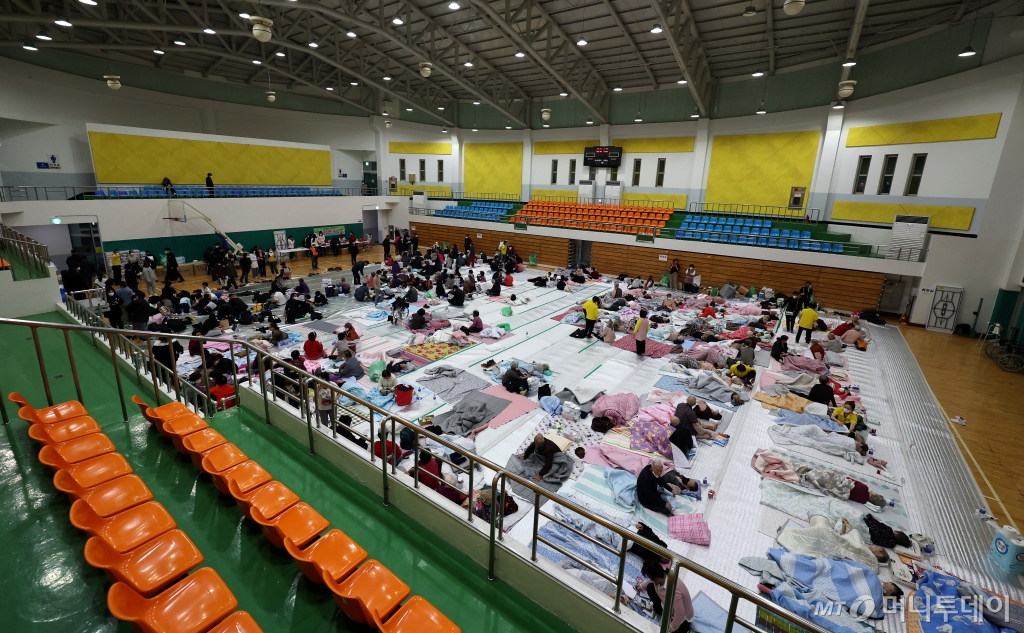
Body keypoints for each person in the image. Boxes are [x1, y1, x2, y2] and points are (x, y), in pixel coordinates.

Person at [622, 559, 695, 633]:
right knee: (650, 587)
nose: (650, 579)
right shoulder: (661, 575)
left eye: (650, 577)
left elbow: (680, 613)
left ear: (655, 578)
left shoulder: (674, 591)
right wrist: (642, 586)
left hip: (683, 619)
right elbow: (650, 581)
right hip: (668, 607)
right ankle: (659, 610)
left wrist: (672, 627)